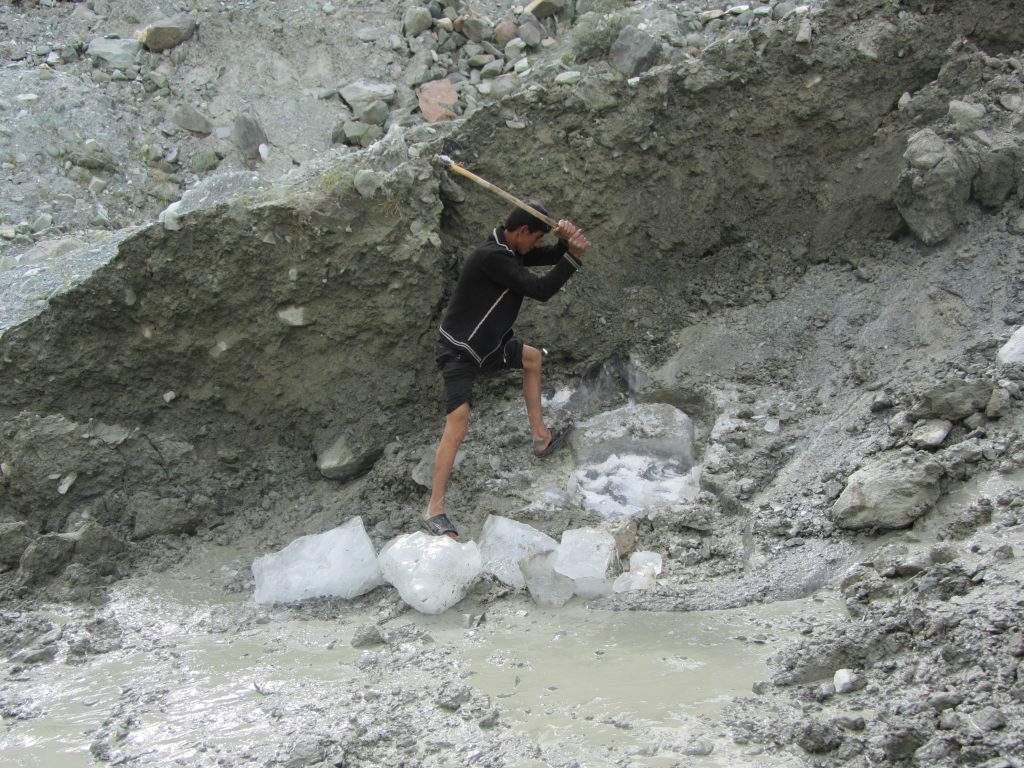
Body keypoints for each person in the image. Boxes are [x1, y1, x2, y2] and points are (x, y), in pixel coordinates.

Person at [421, 201, 590, 540]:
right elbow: (541, 290)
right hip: (459, 350)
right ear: (522, 231)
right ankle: (434, 510)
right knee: (458, 423)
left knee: (532, 359)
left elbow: (551, 256)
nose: (537, 245)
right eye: (536, 238)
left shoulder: (510, 249)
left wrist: (564, 242)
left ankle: (541, 437)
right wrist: (573, 256)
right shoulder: (492, 258)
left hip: (489, 346)